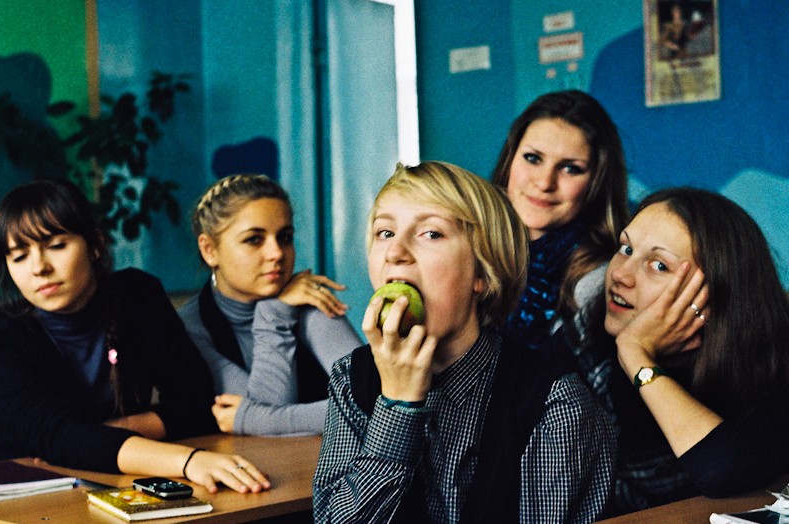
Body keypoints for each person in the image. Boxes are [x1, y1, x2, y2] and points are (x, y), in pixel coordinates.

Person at [313, 161, 615, 523]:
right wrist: (397, 405)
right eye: (385, 232)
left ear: (482, 273)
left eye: (431, 233)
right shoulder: (352, 376)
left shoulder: (554, 402)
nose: (395, 252)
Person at [0, 178, 270, 494]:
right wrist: (188, 461)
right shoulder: (0, 336)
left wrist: (94, 439)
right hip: (23, 496)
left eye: (56, 246)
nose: (38, 268)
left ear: (95, 244)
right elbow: (57, 437)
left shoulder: (137, 295)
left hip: (114, 480)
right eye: (19, 256)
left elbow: (196, 402)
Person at [565, 187, 789, 515]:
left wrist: (635, 354)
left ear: (714, 293)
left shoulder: (771, 364)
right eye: (626, 248)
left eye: (659, 265)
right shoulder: (588, 329)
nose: (620, 274)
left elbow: (722, 471)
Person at [178, 174, 361, 436]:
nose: (276, 253)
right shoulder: (190, 328)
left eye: (285, 237)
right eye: (254, 239)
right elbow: (266, 411)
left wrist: (250, 418)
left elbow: (374, 403)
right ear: (210, 250)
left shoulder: (309, 302)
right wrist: (274, 314)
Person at [491, 90, 629, 349]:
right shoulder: (467, 252)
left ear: (597, 182)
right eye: (533, 158)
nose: (545, 183)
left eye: (570, 168)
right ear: (510, 159)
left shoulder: (599, 283)